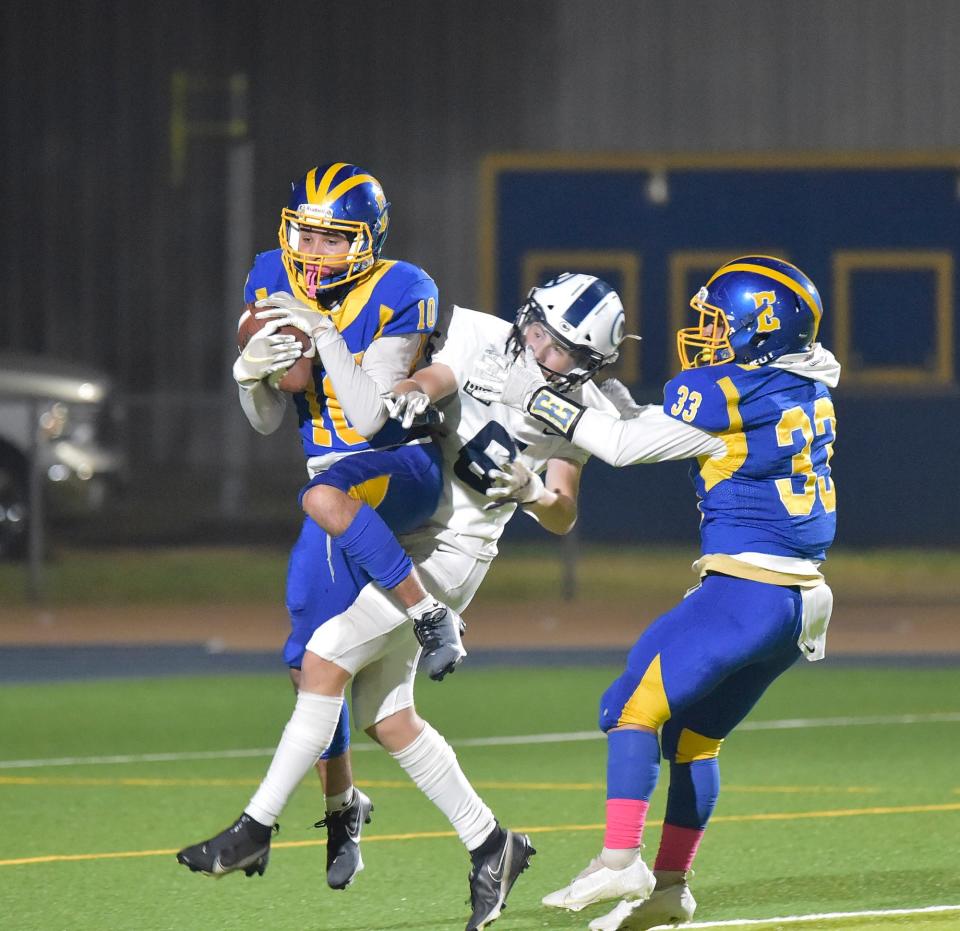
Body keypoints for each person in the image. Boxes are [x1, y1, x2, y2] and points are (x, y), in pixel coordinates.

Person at [178, 272, 630, 931]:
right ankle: (492, 844)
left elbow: (562, 511)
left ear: (589, 362)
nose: (538, 348)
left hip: (456, 552)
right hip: (411, 520)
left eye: (559, 347)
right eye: (536, 328)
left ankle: (255, 826)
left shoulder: (582, 408)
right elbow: (436, 379)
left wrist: (535, 492)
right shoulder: (484, 335)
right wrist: (411, 392)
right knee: (387, 716)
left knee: (325, 658)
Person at [464, 255, 838, 930]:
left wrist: (536, 396)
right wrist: (587, 402)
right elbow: (647, 424)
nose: (707, 335)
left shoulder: (730, 392)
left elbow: (621, 445)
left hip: (749, 590)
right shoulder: (800, 380)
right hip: (799, 599)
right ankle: (670, 887)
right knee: (693, 738)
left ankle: (620, 858)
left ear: (762, 327)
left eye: (720, 323)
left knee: (629, 706)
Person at [199, 161, 463, 890]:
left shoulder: (401, 286)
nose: (311, 254)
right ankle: (344, 803)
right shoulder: (267, 277)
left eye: (331, 239)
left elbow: (374, 414)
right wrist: (248, 373)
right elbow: (266, 421)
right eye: (303, 236)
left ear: (367, 242)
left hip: (396, 464)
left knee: (319, 629)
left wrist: (320, 329)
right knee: (305, 656)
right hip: (329, 477)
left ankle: (431, 612)